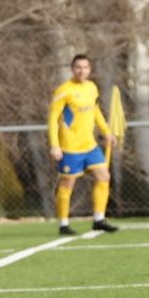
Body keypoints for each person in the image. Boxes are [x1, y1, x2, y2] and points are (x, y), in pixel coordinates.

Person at [47, 54, 119, 235]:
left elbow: (96, 111)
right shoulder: (64, 90)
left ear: (90, 69)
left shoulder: (92, 88)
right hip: (70, 147)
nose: (82, 71)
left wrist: (106, 132)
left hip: (90, 145)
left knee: (104, 176)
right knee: (68, 184)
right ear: (72, 69)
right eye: (78, 67)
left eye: (85, 67)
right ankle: (63, 224)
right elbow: (53, 118)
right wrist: (55, 145)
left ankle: (99, 219)